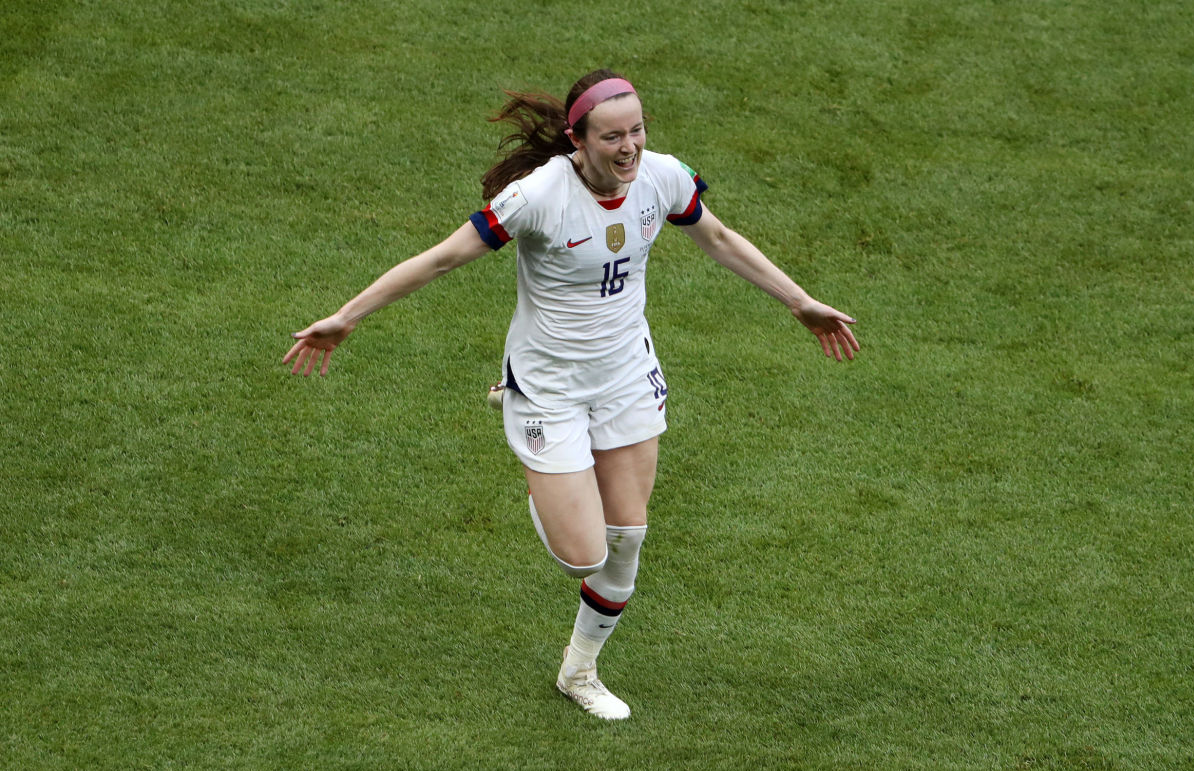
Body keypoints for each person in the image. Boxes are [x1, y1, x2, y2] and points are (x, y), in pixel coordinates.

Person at [283, 69, 859, 720]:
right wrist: (347, 317)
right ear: (577, 139)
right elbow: (441, 258)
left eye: (637, 130)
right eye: (612, 136)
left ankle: (579, 671)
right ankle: (526, 423)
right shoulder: (538, 197)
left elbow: (720, 239)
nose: (629, 147)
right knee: (581, 556)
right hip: (550, 388)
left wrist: (799, 302)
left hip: (625, 377)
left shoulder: (663, 178)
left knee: (627, 538)